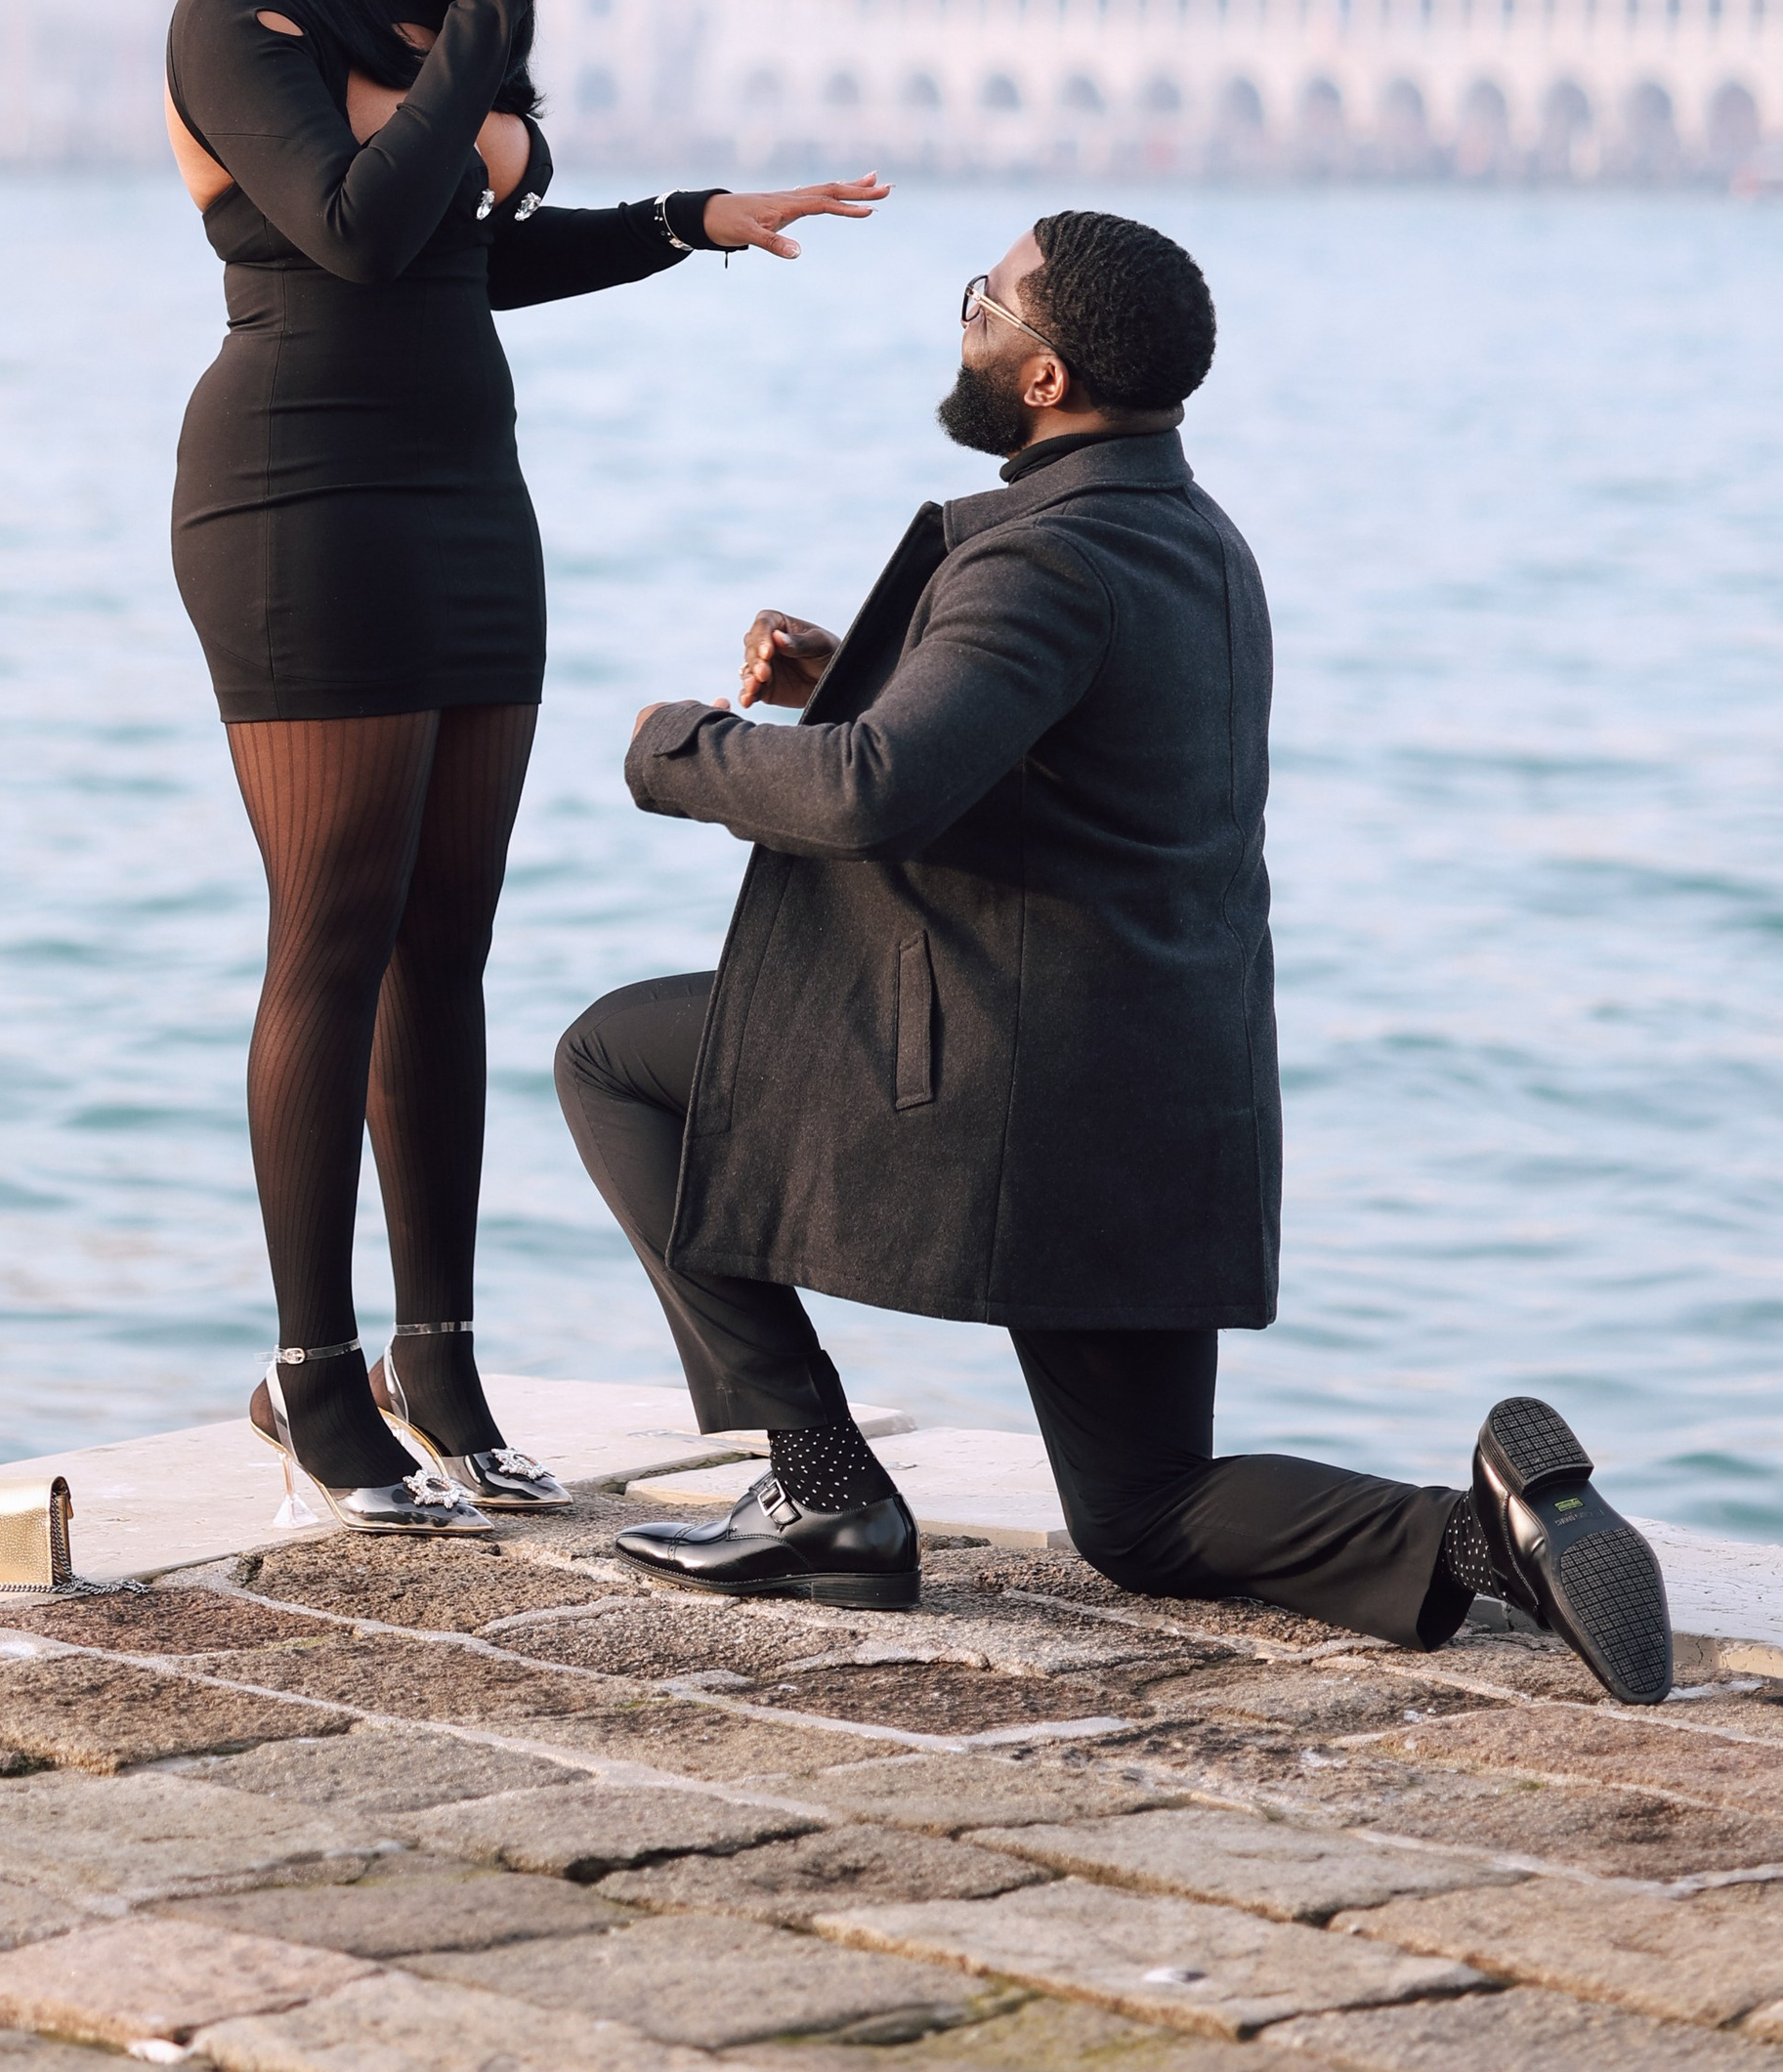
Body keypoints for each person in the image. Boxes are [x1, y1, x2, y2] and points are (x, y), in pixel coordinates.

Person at [556, 207, 1674, 1703]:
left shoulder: (1041, 556)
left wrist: (680, 744)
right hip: (1171, 1091)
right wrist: (857, 679)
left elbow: (873, 793)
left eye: (987, 303)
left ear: (1045, 377)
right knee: (1143, 1513)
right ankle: (1490, 1537)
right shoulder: (1196, 539)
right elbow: (1061, 766)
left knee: (612, 1056)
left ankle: (818, 1479)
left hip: (1018, 1089)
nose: (968, 320)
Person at [166, 0, 886, 1537]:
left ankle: (442, 1365)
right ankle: (314, 1373)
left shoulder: (427, 27)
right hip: (300, 505)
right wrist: (493, 13)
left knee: (447, 946)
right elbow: (354, 227)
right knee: (331, 935)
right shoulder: (236, 17)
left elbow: (469, 262)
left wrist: (685, 219)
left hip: (469, 505)